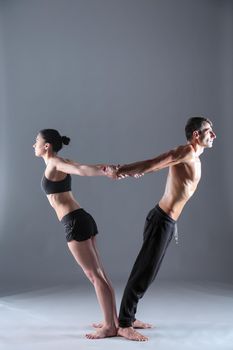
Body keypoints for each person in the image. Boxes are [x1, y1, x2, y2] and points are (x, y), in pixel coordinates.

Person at [106, 116, 216, 341]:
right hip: (161, 220)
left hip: (167, 222)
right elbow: (155, 162)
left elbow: (157, 166)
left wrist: (138, 171)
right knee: (144, 272)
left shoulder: (193, 157)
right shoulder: (185, 152)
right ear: (196, 134)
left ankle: (128, 316)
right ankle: (124, 324)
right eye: (209, 131)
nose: (213, 135)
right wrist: (122, 170)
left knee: (149, 273)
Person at [33, 128, 118, 339]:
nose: (33, 145)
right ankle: (113, 320)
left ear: (46, 146)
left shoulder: (55, 163)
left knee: (95, 276)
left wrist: (105, 170)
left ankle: (109, 326)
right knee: (100, 274)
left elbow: (81, 169)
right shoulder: (57, 163)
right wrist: (105, 169)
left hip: (74, 222)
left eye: (36, 141)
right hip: (81, 218)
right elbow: (78, 166)